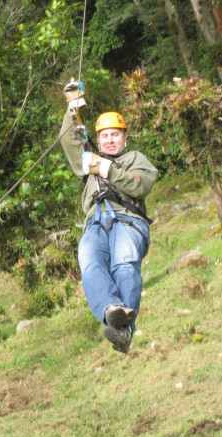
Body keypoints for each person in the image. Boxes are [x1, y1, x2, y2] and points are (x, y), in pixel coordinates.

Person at [59, 79, 158, 353]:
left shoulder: (136, 159)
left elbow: (140, 184)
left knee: (124, 264)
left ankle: (124, 327)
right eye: (104, 135)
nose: (110, 140)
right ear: (99, 139)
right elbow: (69, 140)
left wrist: (107, 170)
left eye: (115, 135)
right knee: (89, 262)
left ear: (125, 138)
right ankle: (111, 310)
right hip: (96, 223)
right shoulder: (89, 161)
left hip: (128, 221)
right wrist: (72, 107)